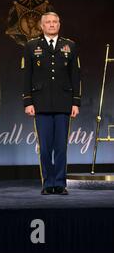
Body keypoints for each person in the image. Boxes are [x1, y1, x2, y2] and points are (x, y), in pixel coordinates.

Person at [22, 11, 81, 195]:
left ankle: (60, 183)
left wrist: (76, 102)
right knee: (45, 147)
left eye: (55, 21)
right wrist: (28, 102)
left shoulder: (69, 45)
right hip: (41, 104)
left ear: (59, 24)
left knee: (61, 146)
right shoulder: (32, 46)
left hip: (64, 104)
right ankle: (48, 183)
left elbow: (76, 76)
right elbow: (27, 76)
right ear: (42, 25)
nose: (52, 24)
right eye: (48, 22)